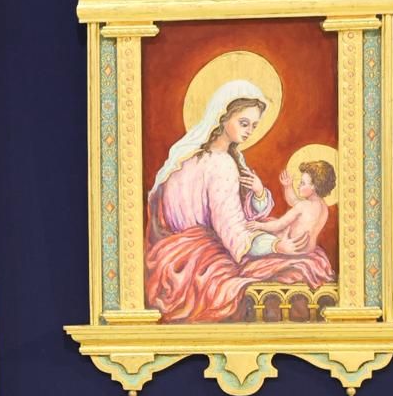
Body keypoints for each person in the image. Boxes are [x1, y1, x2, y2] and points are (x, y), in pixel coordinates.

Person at [144, 80, 333, 322]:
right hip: (201, 260)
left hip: (170, 254)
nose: (249, 131)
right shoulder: (221, 164)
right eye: (244, 123)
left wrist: (258, 194)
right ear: (222, 118)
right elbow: (233, 233)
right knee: (308, 264)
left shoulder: (187, 157)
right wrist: (276, 247)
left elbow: (233, 213)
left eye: (254, 126)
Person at [253, 160, 336, 256]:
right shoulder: (323, 206)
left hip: (292, 245)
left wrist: (259, 225)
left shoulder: (304, 205)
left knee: (264, 225)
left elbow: (279, 224)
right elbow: (294, 201)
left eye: (302, 183)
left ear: (314, 186)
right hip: (307, 249)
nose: (298, 186)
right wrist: (288, 187)